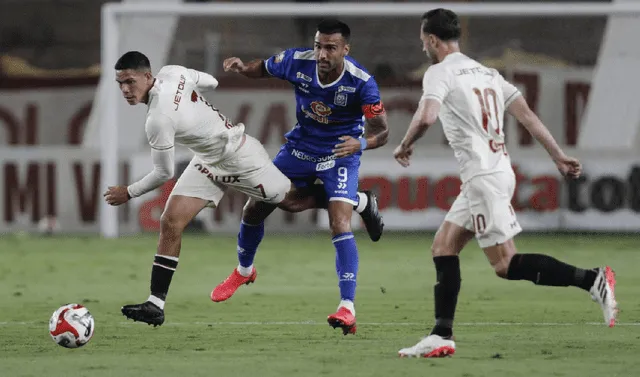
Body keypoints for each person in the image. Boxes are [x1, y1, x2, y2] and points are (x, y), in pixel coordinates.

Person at [394, 9, 618, 357]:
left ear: (433, 40)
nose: (422, 45)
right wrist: (558, 155)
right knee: (443, 247)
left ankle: (593, 279)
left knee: (505, 265)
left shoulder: (439, 73)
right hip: (493, 173)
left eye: (423, 40)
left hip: (484, 179)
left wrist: (405, 143)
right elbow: (527, 116)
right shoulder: (488, 73)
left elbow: (426, 116)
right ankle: (441, 335)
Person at [103, 51, 327, 326]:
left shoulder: (158, 120)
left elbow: (165, 172)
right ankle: (155, 304)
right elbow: (210, 82)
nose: (125, 89)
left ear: (148, 77)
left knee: (291, 202)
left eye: (130, 81)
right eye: (120, 84)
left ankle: (358, 201)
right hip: (208, 161)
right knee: (171, 221)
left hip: (238, 155)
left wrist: (129, 191)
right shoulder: (174, 72)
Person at [212, 19, 390, 336]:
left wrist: (360, 143)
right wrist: (243, 68)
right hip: (301, 148)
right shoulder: (297, 60)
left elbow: (383, 133)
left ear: (345, 50)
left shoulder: (362, 83)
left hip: (340, 152)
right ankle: (244, 271)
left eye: (330, 48)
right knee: (256, 206)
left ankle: (347, 309)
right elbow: (263, 68)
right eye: (319, 45)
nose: (322, 53)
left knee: (339, 222)